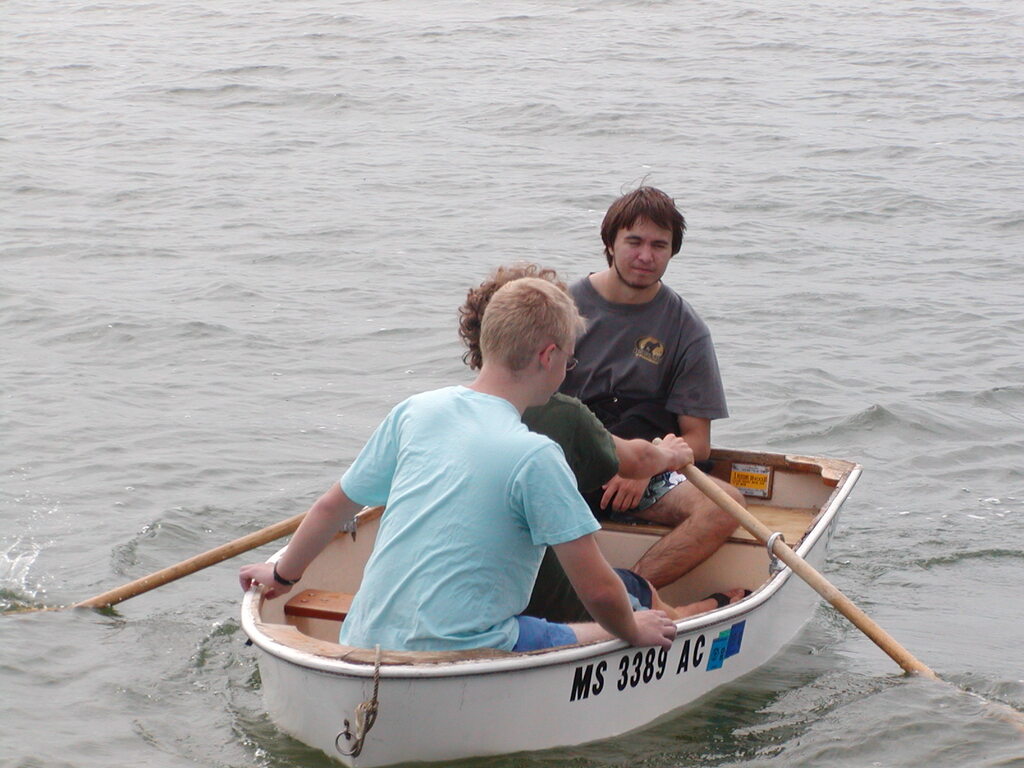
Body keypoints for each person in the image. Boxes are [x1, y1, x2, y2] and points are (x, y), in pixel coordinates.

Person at [239, 277, 677, 653]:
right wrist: (629, 630)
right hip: (466, 649)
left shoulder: (417, 410)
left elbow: (331, 508)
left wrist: (281, 574)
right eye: (568, 359)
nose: (567, 370)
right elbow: (599, 590)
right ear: (548, 357)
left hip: (363, 639)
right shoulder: (537, 456)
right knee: (598, 626)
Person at [458, 264, 748, 622]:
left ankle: (645, 595)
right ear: (546, 351)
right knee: (624, 601)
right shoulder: (562, 416)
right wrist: (658, 458)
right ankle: (662, 605)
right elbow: (638, 459)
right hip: (553, 603)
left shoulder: (434, 412)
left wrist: (644, 465)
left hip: (476, 596)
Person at [560, 186, 746, 589]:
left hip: (647, 460)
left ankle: (629, 596)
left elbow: (697, 441)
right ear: (609, 243)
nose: (646, 256)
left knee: (725, 505)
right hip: (565, 457)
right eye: (634, 242)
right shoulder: (562, 309)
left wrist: (646, 464)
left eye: (659, 245)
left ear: (672, 252)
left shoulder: (687, 329)